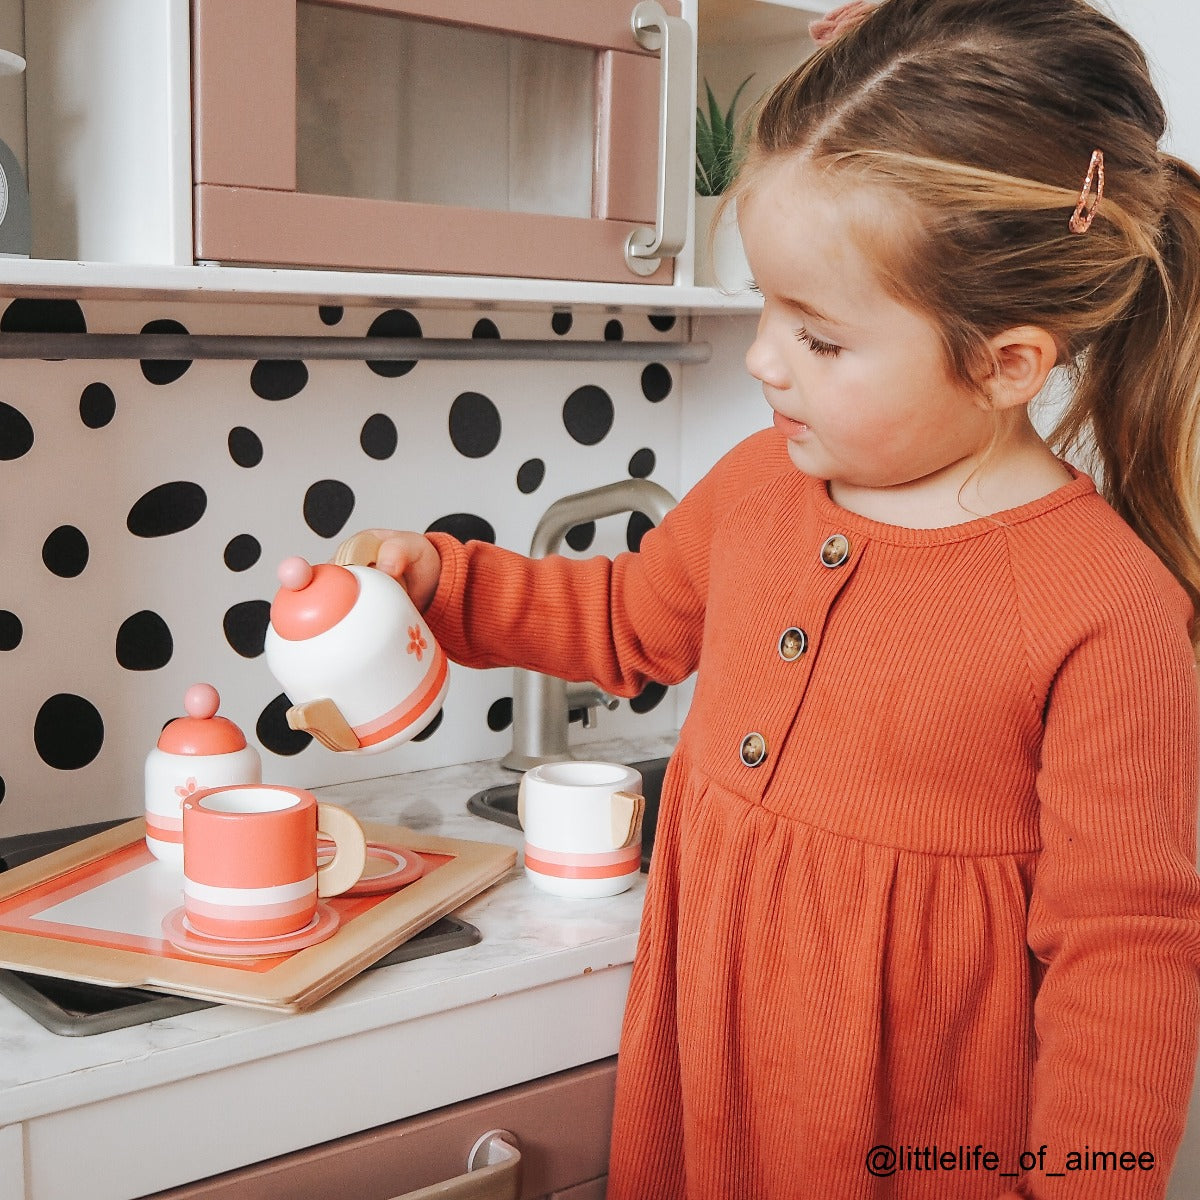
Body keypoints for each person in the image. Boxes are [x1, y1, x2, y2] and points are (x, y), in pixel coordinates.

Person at [345, 1, 1200, 1195]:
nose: (763, 357)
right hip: (714, 1095)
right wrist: (447, 582)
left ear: (1008, 361)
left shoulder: (1107, 609)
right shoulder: (762, 486)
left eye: (821, 337)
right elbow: (624, 620)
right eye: (765, 306)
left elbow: (1128, 956)